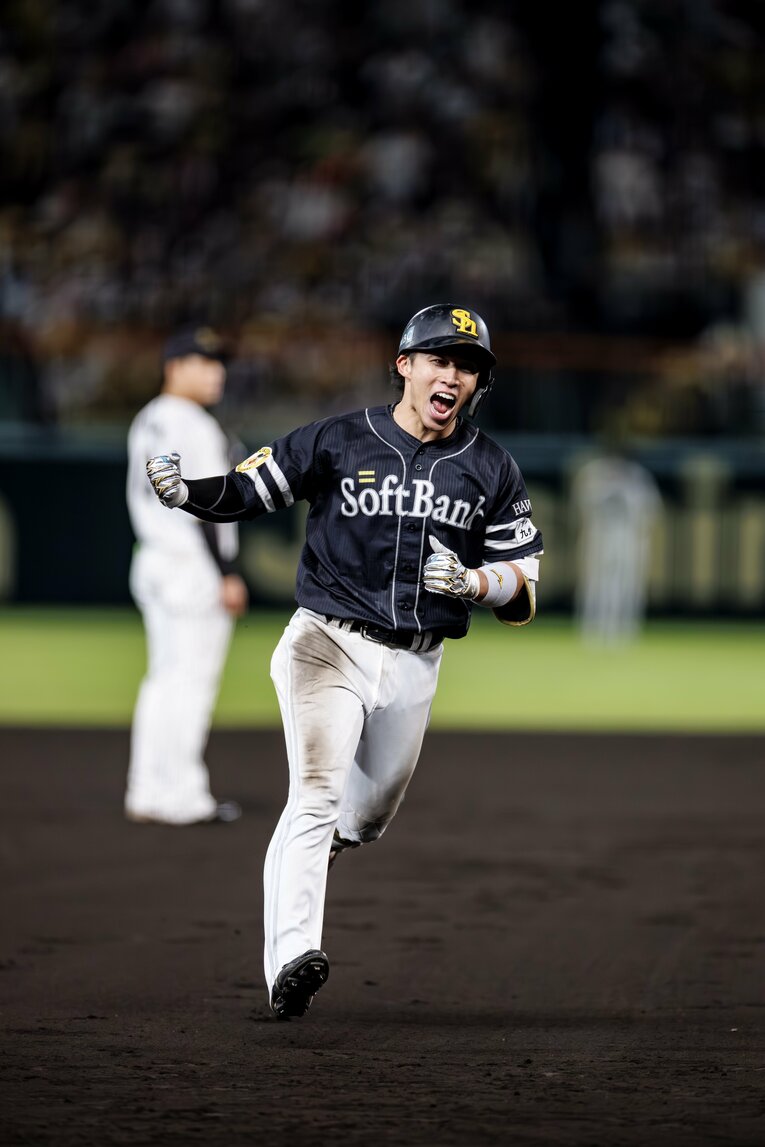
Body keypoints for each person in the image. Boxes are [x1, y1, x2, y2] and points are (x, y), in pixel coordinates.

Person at [144, 303, 543, 1016]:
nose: (453, 375)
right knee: (316, 792)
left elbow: (522, 592)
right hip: (325, 642)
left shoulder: (490, 468)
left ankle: (329, 843)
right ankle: (290, 958)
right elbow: (247, 488)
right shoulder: (338, 438)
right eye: (440, 359)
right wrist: (188, 496)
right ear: (405, 365)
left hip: (417, 663)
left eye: (469, 366)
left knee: (366, 816)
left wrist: (477, 582)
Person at [125, 326, 249, 826]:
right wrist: (227, 572)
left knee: (163, 681)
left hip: (154, 559)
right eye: (204, 362)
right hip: (191, 568)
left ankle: (147, 788)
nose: (215, 372)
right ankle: (182, 796)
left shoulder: (147, 419)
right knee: (191, 684)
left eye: (218, 363)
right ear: (175, 367)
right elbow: (203, 506)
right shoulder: (194, 424)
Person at [572, 443, 661, 645]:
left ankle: (625, 631)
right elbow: (582, 504)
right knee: (595, 584)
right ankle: (592, 630)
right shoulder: (593, 473)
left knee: (628, 585)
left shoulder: (638, 477)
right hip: (598, 533)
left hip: (629, 536)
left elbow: (650, 512)